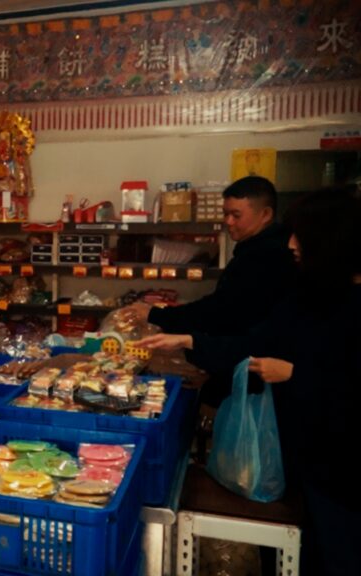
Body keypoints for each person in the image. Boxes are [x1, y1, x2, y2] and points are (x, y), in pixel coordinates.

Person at [135, 187, 361, 575]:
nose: (291, 244)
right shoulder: (309, 293)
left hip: (343, 472)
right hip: (298, 454)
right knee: (301, 551)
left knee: (338, 552)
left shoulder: (350, 305)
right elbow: (256, 341)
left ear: (331, 240)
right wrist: (188, 340)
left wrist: (296, 374)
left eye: (301, 235)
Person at [121, 176, 296, 406]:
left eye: (236, 215)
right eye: (225, 214)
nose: (228, 222)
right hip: (240, 361)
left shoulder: (265, 257)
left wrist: (157, 316)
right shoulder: (255, 249)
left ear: (265, 214)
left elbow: (220, 312)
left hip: (254, 375)